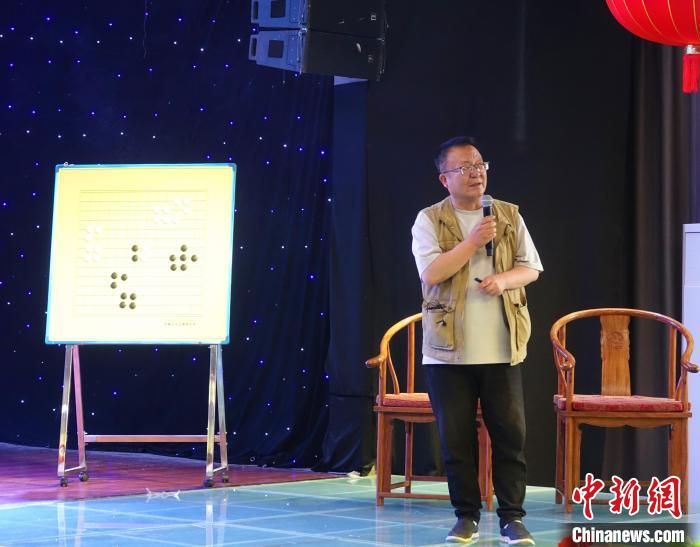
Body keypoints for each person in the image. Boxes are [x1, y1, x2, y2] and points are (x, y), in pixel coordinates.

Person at [411, 136, 543, 545]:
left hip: (502, 347)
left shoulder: (508, 214)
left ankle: (512, 518)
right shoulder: (429, 219)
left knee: (510, 438)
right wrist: (471, 242)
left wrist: (504, 280)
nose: (476, 173)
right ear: (444, 178)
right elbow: (432, 273)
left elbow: (531, 268)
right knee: (456, 441)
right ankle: (465, 517)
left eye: (480, 165)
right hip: (447, 352)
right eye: (464, 167)